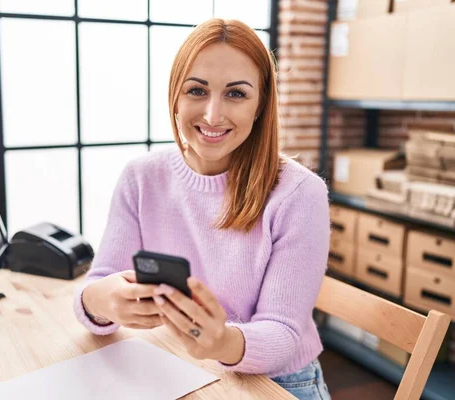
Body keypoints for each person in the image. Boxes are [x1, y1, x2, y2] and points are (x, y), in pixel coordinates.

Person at [73, 18, 331, 400]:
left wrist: (222, 341)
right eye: (197, 90)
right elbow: (99, 284)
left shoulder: (299, 193)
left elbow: (284, 334)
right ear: (175, 97)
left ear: (261, 105)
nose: (212, 115)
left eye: (236, 94)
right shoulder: (141, 177)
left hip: (278, 384)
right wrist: (99, 302)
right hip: (181, 367)